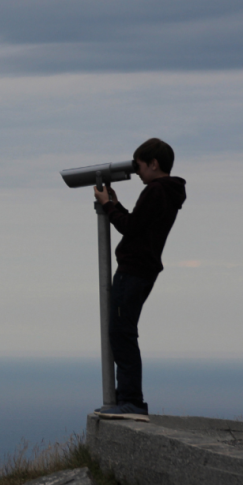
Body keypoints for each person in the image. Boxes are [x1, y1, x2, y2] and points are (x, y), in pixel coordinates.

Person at [93, 138, 186, 422]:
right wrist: (116, 205)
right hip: (143, 270)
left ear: (154, 164)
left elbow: (130, 228)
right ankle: (128, 400)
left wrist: (108, 206)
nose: (138, 173)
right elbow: (138, 224)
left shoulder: (155, 191)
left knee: (121, 332)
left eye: (140, 166)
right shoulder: (169, 192)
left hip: (133, 270)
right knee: (124, 330)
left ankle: (131, 402)